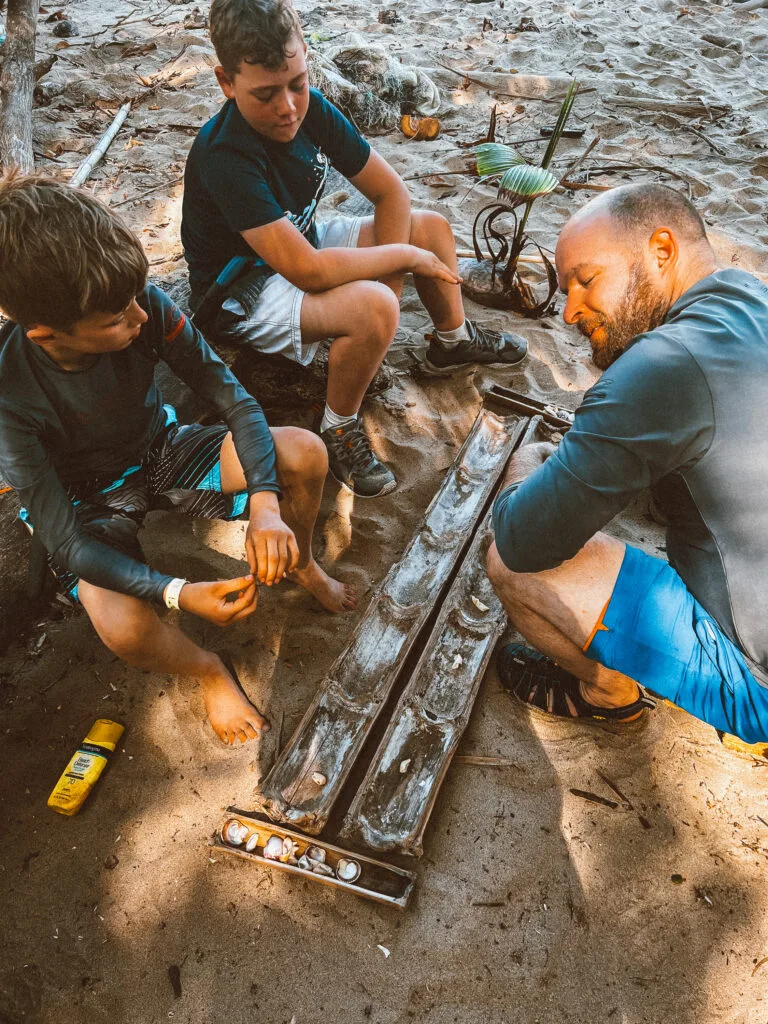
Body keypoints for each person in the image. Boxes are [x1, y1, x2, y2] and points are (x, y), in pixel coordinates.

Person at [0, 173, 356, 746]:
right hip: (83, 499)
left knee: (303, 452)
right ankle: (208, 669)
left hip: (159, 450)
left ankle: (303, 561)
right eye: (116, 320)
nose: (141, 320)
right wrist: (176, 592)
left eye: (137, 301)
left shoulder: (140, 304)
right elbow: (66, 541)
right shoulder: (10, 396)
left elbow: (233, 399)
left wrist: (266, 507)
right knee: (123, 626)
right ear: (45, 336)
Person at [180, 0, 528, 499]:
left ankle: (452, 342)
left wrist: (383, 284)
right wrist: (395, 268)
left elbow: (391, 193)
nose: (288, 107)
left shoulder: (312, 108)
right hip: (242, 289)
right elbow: (309, 272)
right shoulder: (225, 155)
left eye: (297, 83)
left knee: (427, 228)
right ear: (225, 83)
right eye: (265, 94)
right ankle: (338, 422)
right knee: (380, 297)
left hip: (302, 240)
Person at [487, 182, 768, 745]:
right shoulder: (748, 299)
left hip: (756, 682)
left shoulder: (663, 364)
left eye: (586, 281)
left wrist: (528, 465)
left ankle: (606, 694)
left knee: (508, 565)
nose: (569, 312)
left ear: (661, 250)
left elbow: (524, 539)